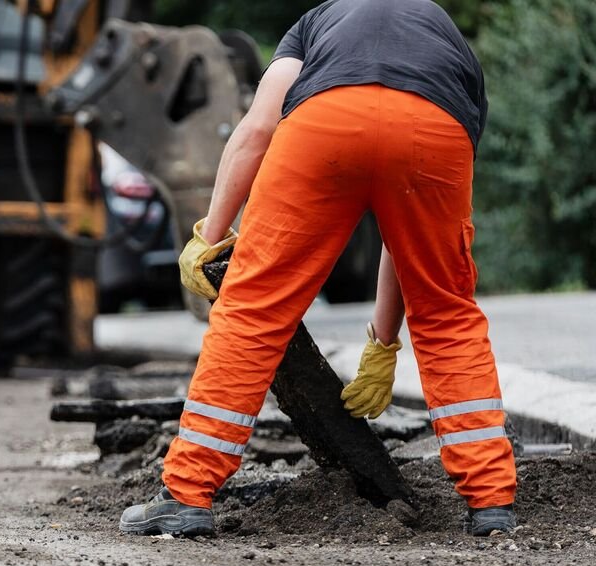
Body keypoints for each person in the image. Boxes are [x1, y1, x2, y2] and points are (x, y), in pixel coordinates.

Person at [119, 0, 517, 538]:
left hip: (324, 123)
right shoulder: (451, 45)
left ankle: (187, 494)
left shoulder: (319, 21)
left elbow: (258, 129)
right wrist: (384, 340)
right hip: (435, 128)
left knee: (252, 309)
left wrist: (210, 235)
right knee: (447, 314)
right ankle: (491, 504)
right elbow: (407, 240)